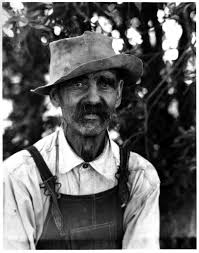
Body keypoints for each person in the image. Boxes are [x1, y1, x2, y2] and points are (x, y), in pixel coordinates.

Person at [3, 31, 160, 249]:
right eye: (78, 84)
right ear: (56, 95)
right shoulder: (19, 177)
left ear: (119, 93)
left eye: (105, 83)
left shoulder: (140, 177)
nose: (94, 98)